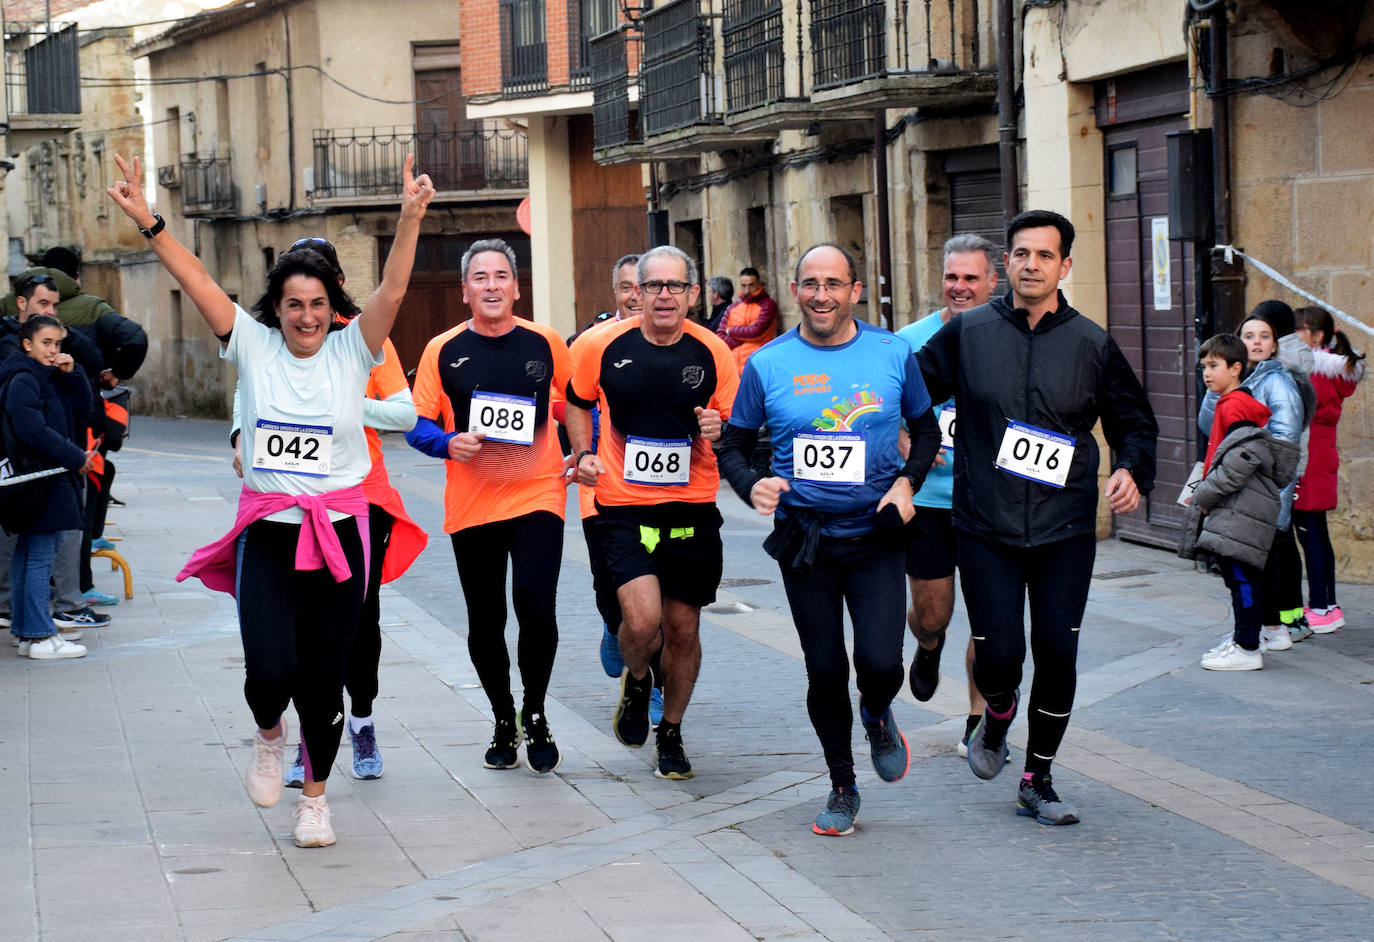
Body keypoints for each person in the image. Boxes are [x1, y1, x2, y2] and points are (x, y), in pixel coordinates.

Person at [110, 152, 434, 848]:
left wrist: (409, 220)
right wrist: (152, 224)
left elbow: (396, 289)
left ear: (331, 309)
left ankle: (315, 799)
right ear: (276, 309)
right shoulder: (252, 348)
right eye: (295, 304)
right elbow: (195, 279)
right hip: (272, 532)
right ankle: (267, 734)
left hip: (341, 534)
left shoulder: (355, 350)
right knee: (269, 671)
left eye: (318, 304)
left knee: (325, 678)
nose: (307, 316)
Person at [917, 209, 1157, 826]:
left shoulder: (1092, 343)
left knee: (1057, 652)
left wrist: (1131, 468)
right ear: (1007, 263)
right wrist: (895, 432)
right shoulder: (968, 333)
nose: (1031, 265)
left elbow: (1134, 422)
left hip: (1065, 530)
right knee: (999, 661)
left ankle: (1038, 778)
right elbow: (911, 390)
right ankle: (997, 715)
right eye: (1021, 254)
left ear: (1064, 266)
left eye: (1044, 255)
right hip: (985, 525)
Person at [717, 243, 941, 836]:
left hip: (875, 536)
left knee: (880, 663)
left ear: (855, 290)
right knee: (823, 668)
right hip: (806, 540)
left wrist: (907, 482)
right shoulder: (768, 363)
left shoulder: (893, 354)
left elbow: (925, 426)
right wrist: (751, 484)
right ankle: (843, 785)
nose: (822, 295)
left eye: (834, 284)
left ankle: (876, 713)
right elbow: (734, 446)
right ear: (795, 291)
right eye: (811, 284)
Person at [229, 236, 427, 786]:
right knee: (288, 639)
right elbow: (249, 398)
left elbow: (404, 414)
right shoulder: (272, 343)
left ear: (335, 286)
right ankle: (302, 739)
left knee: (358, 630)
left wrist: (334, 401)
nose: (310, 308)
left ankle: (359, 718)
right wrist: (239, 435)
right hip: (287, 503)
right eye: (297, 297)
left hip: (361, 499)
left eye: (323, 288)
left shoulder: (362, 339)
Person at [566, 245, 738, 781]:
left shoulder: (714, 353)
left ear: (692, 294)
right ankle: (638, 678)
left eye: (676, 286)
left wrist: (720, 430)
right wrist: (585, 453)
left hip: (692, 506)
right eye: (654, 286)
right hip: (624, 505)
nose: (665, 295)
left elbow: (735, 425)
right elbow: (577, 400)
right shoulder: (600, 344)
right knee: (641, 622)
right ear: (635, 292)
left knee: (683, 629)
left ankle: (672, 732)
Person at [406, 238, 573, 775]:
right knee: (486, 618)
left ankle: (537, 711)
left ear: (517, 287)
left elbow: (575, 403)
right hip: (472, 499)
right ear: (465, 291)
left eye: (502, 275)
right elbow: (417, 422)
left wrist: (583, 451)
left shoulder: (546, 342)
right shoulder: (441, 348)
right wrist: (447, 443)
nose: (492, 285)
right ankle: (504, 718)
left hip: (538, 490)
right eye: (481, 277)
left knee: (534, 603)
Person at [894, 234, 1000, 758]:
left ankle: (978, 721)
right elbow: (876, 403)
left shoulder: (1009, 338)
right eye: (952, 277)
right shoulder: (909, 341)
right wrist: (899, 434)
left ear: (992, 283)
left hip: (990, 503)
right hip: (930, 501)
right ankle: (929, 646)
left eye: (971, 278)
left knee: (988, 619)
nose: (959, 287)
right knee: (932, 613)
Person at [0, 273, 111, 635]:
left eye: (57, 343)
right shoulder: (23, 378)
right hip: (39, 477)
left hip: (50, 475)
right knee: (37, 557)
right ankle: (37, 632)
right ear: (27, 344)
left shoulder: (49, 375)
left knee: (31, 555)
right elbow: (32, 430)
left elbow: (83, 411)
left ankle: (27, 629)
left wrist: (73, 372)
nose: (52, 349)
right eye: (45, 342)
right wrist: (73, 456)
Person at [1201, 304, 1313, 651]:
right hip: (1240, 483)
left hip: (1259, 484)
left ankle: (1268, 629)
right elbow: (1209, 425)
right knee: (1252, 558)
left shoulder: (1277, 381)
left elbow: (1284, 437)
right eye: (1248, 335)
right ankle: (1263, 628)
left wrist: (1273, 482)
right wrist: (1215, 387)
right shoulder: (1236, 384)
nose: (1256, 342)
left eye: (1264, 336)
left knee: (1265, 555)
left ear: (1275, 343)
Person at [1187, 334, 1298, 670]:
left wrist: (1204, 493)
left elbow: (1241, 459)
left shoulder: (1234, 405)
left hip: (1240, 506)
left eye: (1214, 366)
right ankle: (1247, 637)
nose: (1207, 373)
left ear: (1236, 369)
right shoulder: (1231, 401)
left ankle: (1247, 648)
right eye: (1204, 366)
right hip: (1238, 505)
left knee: (1241, 577)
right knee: (1243, 576)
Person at [1291, 305, 1364, 632]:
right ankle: (1327, 604)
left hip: (1310, 461)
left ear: (1316, 336)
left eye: (1298, 331)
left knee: (1310, 534)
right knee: (1316, 533)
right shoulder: (1327, 372)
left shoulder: (1316, 374)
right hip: (1319, 458)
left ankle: (1320, 607)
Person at [716, 267, 779, 373]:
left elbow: (756, 332)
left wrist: (731, 331)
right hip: (733, 367)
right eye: (744, 286)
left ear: (759, 284)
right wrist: (746, 332)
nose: (747, 290)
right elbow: (720, 336)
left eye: (751, 285)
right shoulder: (733, 307)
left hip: (757, 366)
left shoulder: (768, 305)